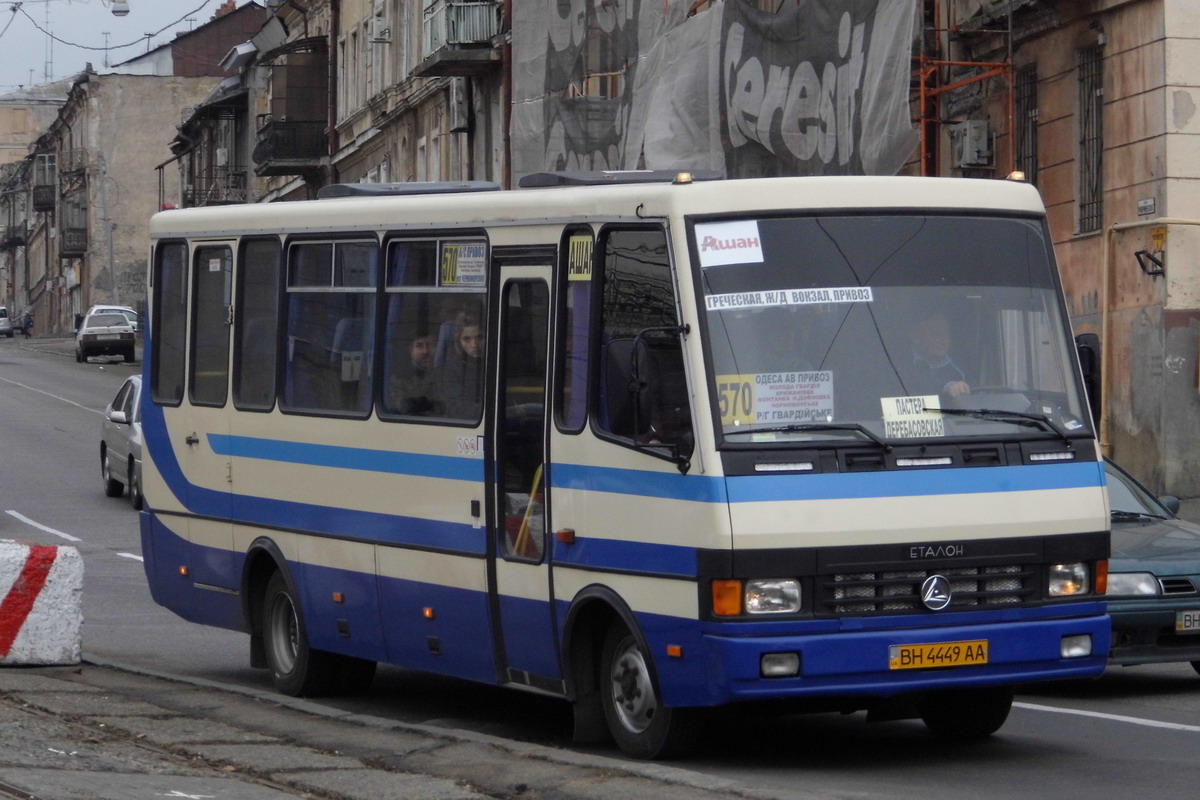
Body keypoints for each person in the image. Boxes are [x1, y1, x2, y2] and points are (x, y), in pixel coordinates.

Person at [908, 311, 970, 397]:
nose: (944, 341)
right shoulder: (899, 364)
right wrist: (948, 386)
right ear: (916, 337)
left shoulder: (961, 369)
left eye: (946, 333)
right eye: (936, 334)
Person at [439, 314, 484, 419]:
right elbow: (462, 410)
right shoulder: (452, 370)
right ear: (459, 342)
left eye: (479, 337)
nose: (474, 344)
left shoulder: (493, 363)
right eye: (467, 339)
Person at [387, 331, 442, 415]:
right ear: (411, 351)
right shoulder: (401, 377)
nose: (425, 351)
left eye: (431, 345)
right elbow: (406, 411)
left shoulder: (445, 374)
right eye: (419, 346)